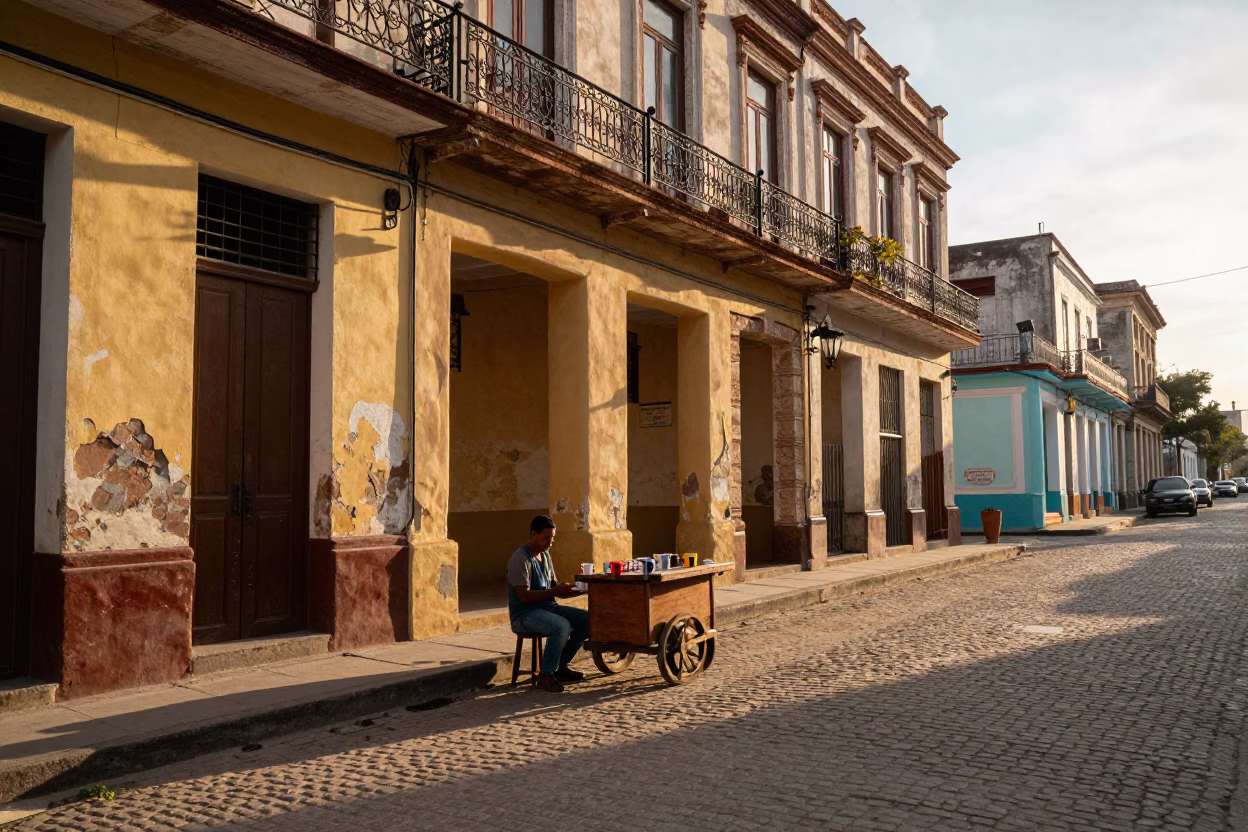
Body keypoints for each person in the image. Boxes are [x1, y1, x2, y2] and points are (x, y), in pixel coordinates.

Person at [508, 515, 589, 692]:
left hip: (548, 608)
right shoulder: (520, 559)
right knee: (561, 626)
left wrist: (578, 589)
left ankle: (561, 667)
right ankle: (546, 675)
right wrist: (554, 591)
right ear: (534, 534)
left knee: (587, 620)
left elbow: (553, 588)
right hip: (525, 614)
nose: (550, 542)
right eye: (547, 537)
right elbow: (524, 597)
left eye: (552, 538)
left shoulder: (545, 556)